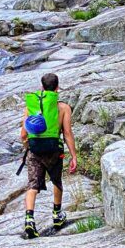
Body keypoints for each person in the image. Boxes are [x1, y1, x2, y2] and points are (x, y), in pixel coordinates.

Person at [20, 72, 77, 239]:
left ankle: (29, 219)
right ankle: (57, 215)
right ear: (58, 88)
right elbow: (67, 133)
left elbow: (23, 134)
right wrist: (74, 155)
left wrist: (27, 146)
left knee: (32, 185)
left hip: (35, 149)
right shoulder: (64, 108)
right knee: (57, 181)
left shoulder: (30, 107)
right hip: (54, 150)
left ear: (42, 88)